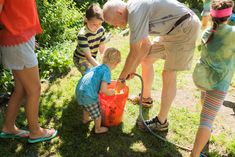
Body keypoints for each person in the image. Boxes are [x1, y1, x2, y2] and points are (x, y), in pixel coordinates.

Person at [103, 0, 200, 131]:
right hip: (170, 30)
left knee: (169, 73)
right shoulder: (133, 13)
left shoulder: (135, 12)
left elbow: (134, 51)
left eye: (112, 22)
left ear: (119, 12)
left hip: (185, 28)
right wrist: (134, 66)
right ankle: (146, 99)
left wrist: (121, 79)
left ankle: (161, 122)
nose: (114, 26)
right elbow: (146, 46)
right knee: (147, 59)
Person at [0, 0, 57, 143]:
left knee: (21, 89)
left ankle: (9, 127)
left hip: (21, 39)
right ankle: (35, 131)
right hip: (17, 40)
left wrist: (29, 37)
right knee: (34, 89)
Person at [191, 0, 235, 156]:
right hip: (219, 84)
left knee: (206, 106)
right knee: (207, 120)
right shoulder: (233, 32)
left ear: (211, 15)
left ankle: (204, 136)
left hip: (203, 79)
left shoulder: (207, 32)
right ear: (230, 15)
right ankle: (194, 154)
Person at [75, 47, 121, 134]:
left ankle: (85, 119)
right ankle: (98, 129)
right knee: (97, 114)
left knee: (86, 107)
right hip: (89, 95)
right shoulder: (107, 72)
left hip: (80, 90)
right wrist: (110, 92)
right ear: (116, 63)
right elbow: (103, 90)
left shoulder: (98, 66)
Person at [73, 3, 106, 75]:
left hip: (92, 57)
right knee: (89, 75)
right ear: (86, 20)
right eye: (94, 24)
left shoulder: (101, 30)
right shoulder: (82, 35)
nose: (97, 27)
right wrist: (101, 68)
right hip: (81, 59)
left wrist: (103, 56)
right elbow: (88, 57)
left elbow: (102, 45)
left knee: (97, 73)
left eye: (100, 23)